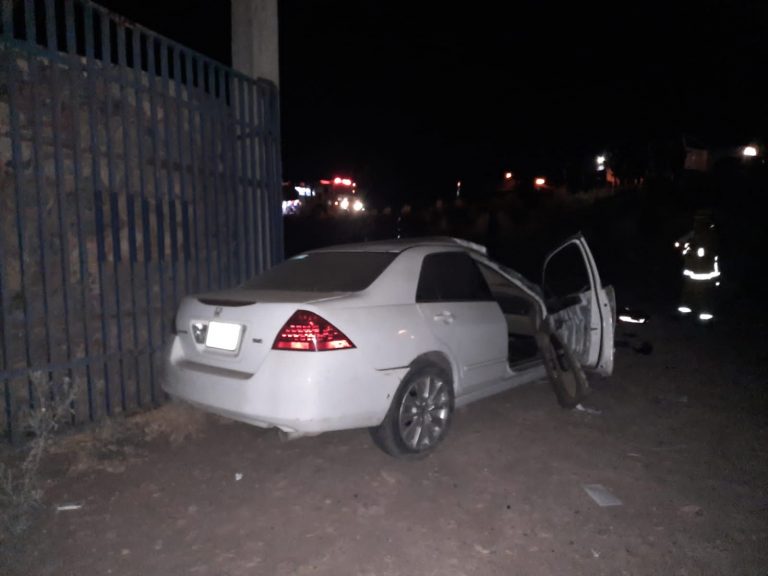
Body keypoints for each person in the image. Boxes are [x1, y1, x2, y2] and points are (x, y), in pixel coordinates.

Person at [675, 210, 720, 323]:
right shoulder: (694, 234)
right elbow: (681, 243)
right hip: (692, 271)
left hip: (705, 273)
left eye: (700, 221)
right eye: (697, 221)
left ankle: (705, 318)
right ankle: (684, 313)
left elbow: (703, 253)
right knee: (688, 293)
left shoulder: (710, 236)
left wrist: (690, 249)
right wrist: (683, 247)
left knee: (704, 295)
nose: (697, 223)